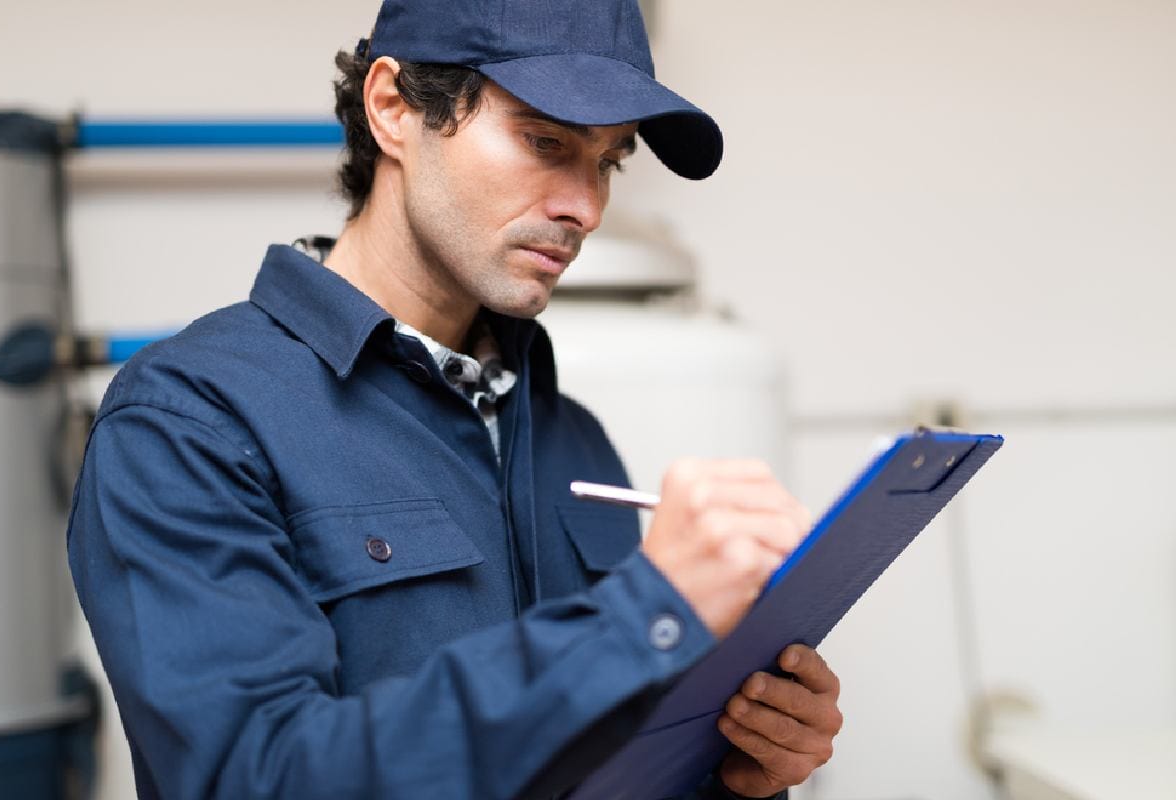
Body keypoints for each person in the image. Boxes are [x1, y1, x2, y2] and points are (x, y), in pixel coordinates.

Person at [67, 1, 844, 798]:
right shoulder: (192, 421)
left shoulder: (570, 436)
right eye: (546, 141)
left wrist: (733, 769)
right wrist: (638, 620)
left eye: (609, 161)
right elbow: (254, 779)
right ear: (393, 107)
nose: (587, 208)